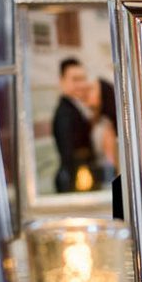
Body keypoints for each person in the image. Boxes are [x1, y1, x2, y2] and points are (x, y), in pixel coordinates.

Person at [52, 58, 98, 193]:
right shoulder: (65, 114)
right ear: (62, 81)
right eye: (75, 79)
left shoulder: (76, 107)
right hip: (78, 183)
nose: (81, 84)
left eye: (83, 79)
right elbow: (71, 155)